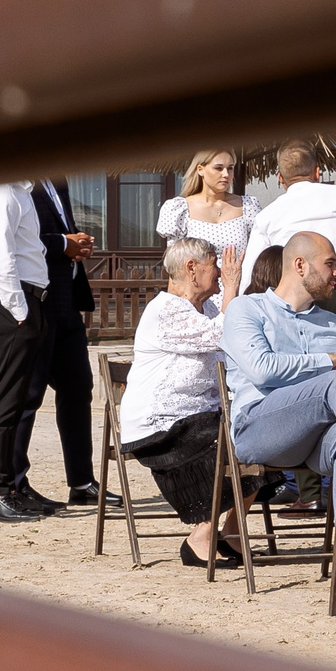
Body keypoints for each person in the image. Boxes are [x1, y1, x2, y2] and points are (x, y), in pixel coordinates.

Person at [222, 232, 336, 609]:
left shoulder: (335, 325)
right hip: (259, 430)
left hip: (317, 438)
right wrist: (333, 361)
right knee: (333, 385)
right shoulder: (247, 309)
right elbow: (261, 369)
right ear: (300, 265)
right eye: (331, 263)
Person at [120, 236, 246, 567]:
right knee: (228, 443)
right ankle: (200, 538)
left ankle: (229, 534)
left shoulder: (206, 308)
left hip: (201, 418)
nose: (220, 273)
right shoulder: (163, 310)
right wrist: (232, 288)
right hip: (161, 424)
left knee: (256, 437)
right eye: (215, 265)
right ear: (191, 269)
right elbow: (223, 334)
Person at [0, 181, 78, 522]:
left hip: (30, 299)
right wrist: (20, 311)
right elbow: (2, 259)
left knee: (19, 399)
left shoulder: (21, 193)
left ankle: (14, 487)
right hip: (11, 302)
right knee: (4, 400)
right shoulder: (2, 193)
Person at [12, 178, 102, 508]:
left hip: (67, 301)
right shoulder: (18, 186)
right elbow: (20, 239)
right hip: (36, 299)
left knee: (79, 388)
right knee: (28, 394)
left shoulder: (59, 182)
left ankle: (82, 482)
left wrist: (76, 244)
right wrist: (63, 243)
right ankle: (15, 484)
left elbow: (63, 232)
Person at [243, 141, 336, 317]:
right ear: (317, 172)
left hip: (290, 301)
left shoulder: (267, 216)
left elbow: (250, 271)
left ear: (280, 178)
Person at [157, 148, 260, 264]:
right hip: (198, 282)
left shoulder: (248, 206)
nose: (226, 174)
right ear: (200, 170)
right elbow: (174, 265)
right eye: (218, 168)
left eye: (230, 168)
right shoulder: (181, 210)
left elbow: (258, 254)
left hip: (240, 281)